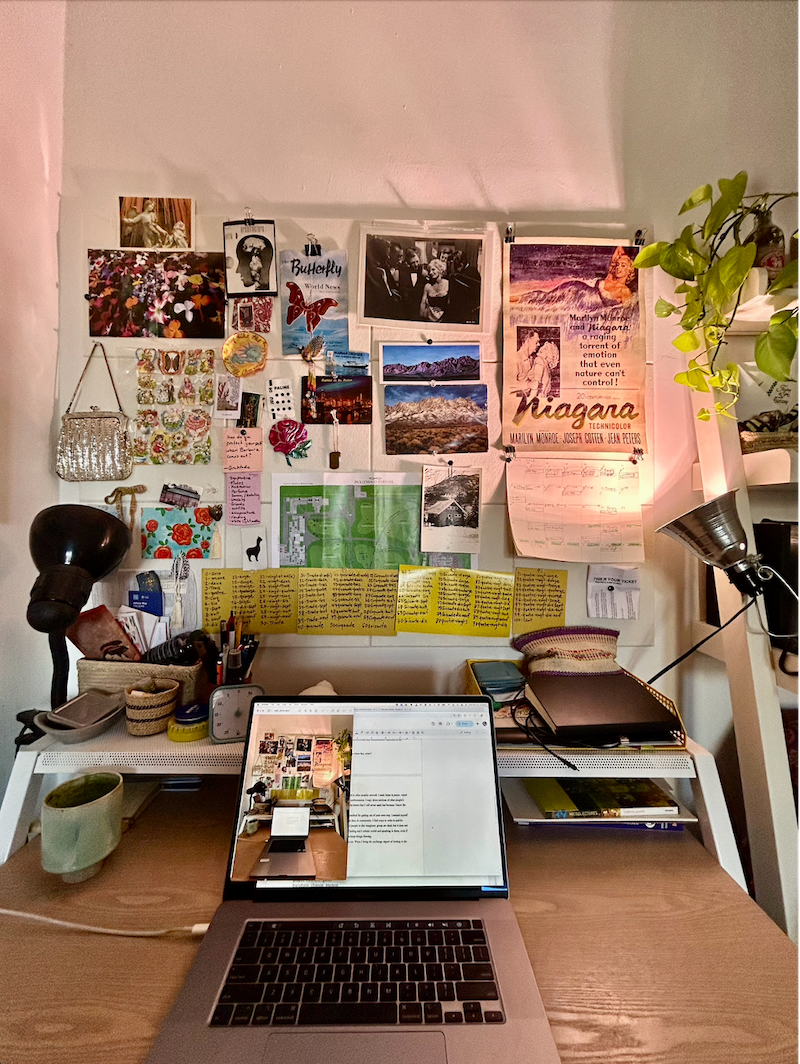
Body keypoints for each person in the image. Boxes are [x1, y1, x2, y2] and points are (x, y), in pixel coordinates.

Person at [364, 237, 401, 319]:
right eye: (386, 254)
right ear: (378, 253)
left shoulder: (384, 268)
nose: (388, 257)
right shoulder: (369, 272)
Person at [397, 247, 426, 319]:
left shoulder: (423, 272)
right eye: (413, 263)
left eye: (417, 261)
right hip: (406, 311)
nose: (416, 264)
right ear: (408, 263)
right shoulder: (402, 272)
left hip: (420, 310)